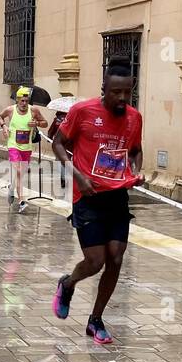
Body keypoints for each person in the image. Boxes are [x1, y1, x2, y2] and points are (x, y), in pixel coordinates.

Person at [51, 60, 144, 345]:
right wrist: (77, 176)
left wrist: (136, 171)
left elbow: (136, 151)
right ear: (104, 88)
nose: (122, 98)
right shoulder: (82, 111)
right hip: (87, 196)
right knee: (95, 261)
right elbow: (57, 143)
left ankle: (95, 319)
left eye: (127, 92)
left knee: (116, 258)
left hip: (117, 196)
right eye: (116, 92)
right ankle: (68, 284)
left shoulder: (134, 118)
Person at [0, 87, 50, 210]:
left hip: (26, 147)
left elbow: (45, 123)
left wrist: (36, 124)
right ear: (17, 100)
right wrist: (4, 127)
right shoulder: (10, 110)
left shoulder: (33, 111)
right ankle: (22, 201)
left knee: (20, 174)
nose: (24, 104)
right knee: (18, 171)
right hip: (13, 145)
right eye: (22, 101)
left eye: (26, 101)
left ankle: (11, 189)